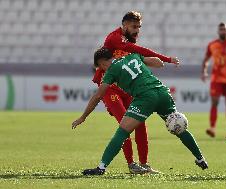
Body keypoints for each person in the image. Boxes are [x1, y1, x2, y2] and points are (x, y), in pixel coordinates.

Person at [72, 47, 208, 175]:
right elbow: (158, 63)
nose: (101, 69)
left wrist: (83, 116)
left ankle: (101, 168)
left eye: (100, 67)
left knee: (122, 131)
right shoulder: (132, 56)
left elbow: (98, 96)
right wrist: (152, 61)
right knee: (179, 128)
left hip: (145, 97)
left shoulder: (111, 70)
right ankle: (200, 158)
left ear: (102, 63)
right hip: (162, 92)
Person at [93, 11, 179, 174]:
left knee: (140, 123)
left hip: (127, 87)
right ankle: (132, 164)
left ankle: (144, 164)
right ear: (124, 25)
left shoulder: (129, 38)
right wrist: (167, 59)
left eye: (139, 27)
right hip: (111, 87)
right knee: (125, 125)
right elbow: (136, 49)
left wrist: (153, 63)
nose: (137, 30)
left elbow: (137, 58)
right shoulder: (115, 38)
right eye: (134, 27)